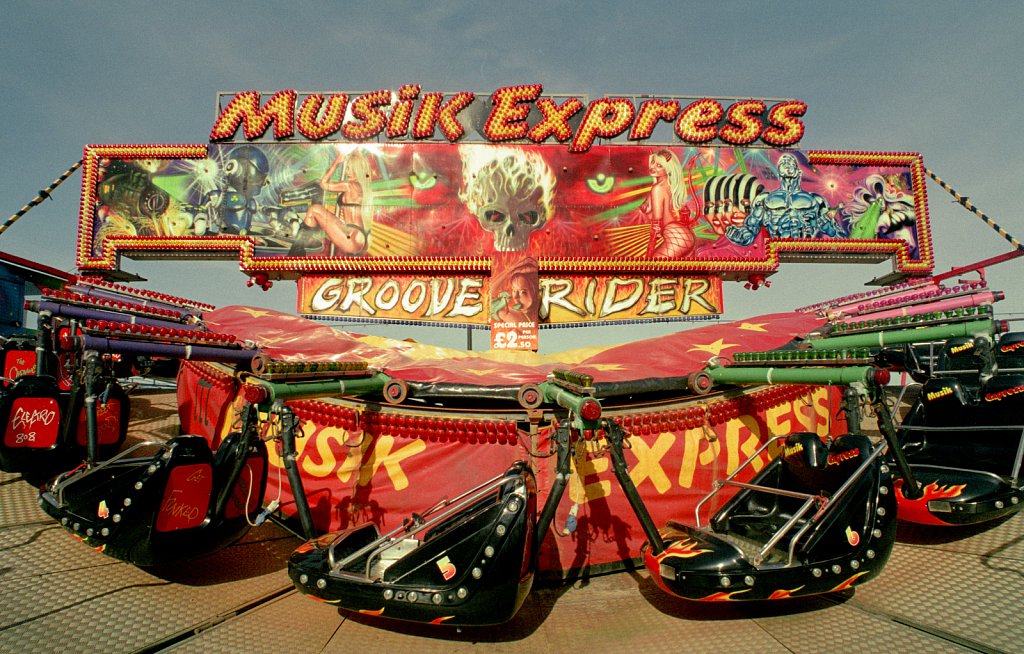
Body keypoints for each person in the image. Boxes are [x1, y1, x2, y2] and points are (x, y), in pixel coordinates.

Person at [301, 148, 373, 256]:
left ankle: (298, 251)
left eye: (350, 168)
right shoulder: (360, 187)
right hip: (360, 235)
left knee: (314, 209)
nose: (348, 172)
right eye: (347, 168)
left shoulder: (349, 185)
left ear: (357, 170)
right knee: (316, 211)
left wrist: (337, 162)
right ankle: (306, 245)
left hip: (352, 236)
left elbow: (323, 184)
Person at [640, 150, 695, 259]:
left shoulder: (658, 189)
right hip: (682, 235)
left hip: (676, 236)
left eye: (659, 165)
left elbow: (656, 225)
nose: (653, 167)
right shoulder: (668, 185)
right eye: (653, 162)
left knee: (652, 267)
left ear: (668, 170)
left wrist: (649, 252)